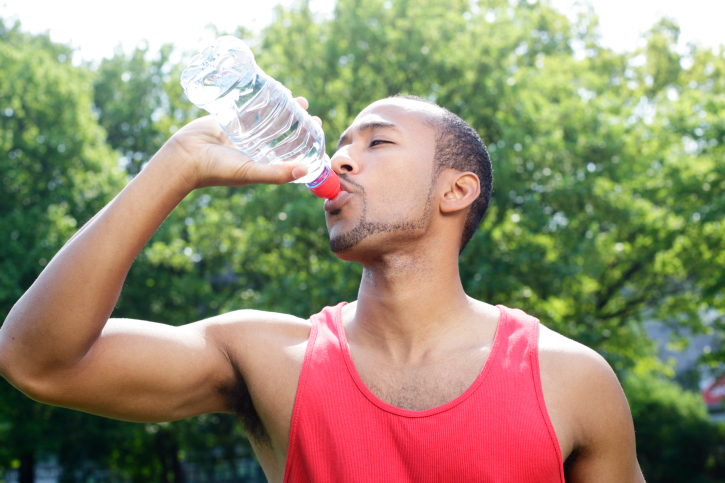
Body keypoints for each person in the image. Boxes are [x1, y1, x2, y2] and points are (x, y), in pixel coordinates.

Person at [0, 94, 645, 482]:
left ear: (456, 190)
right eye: (339, 145)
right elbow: (38, 361)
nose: (338, 160)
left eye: (377, 142)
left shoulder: (569, 379)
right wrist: (177, 164)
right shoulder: (268, 358)